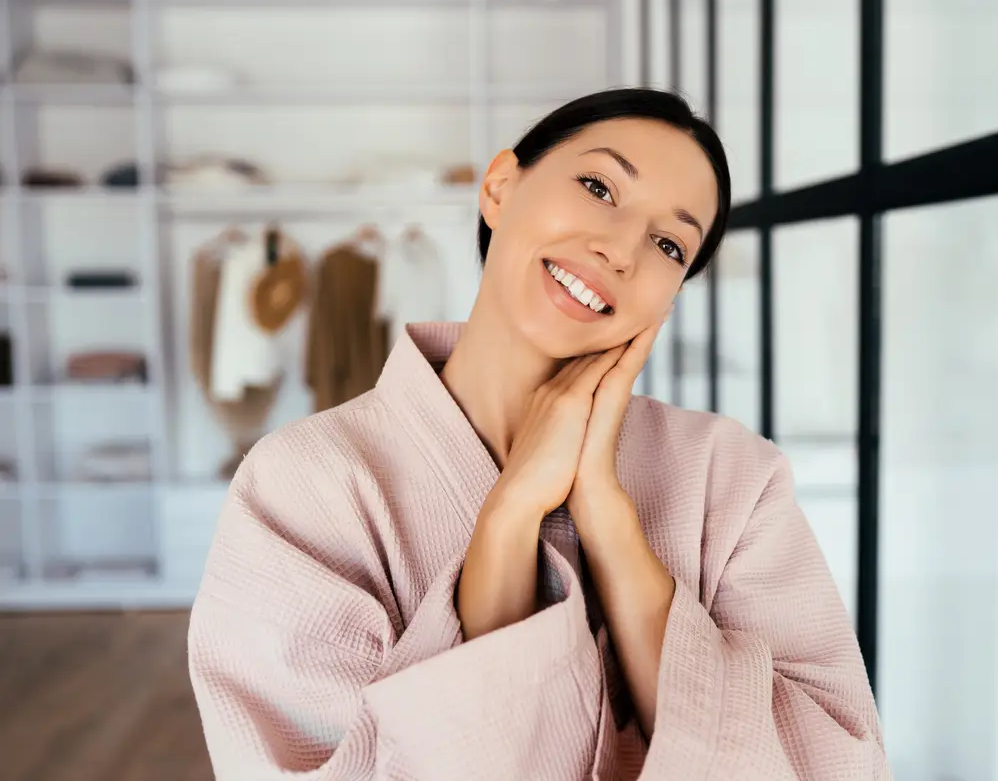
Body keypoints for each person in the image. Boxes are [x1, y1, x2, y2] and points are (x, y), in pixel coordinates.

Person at [187, 87, 890, 780]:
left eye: (670, 244)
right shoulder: (302, 484)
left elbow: (835, 766)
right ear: (499, 187)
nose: (620, 248)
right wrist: (511, 514)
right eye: (599, 186)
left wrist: (609, 521)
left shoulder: (734, 476)